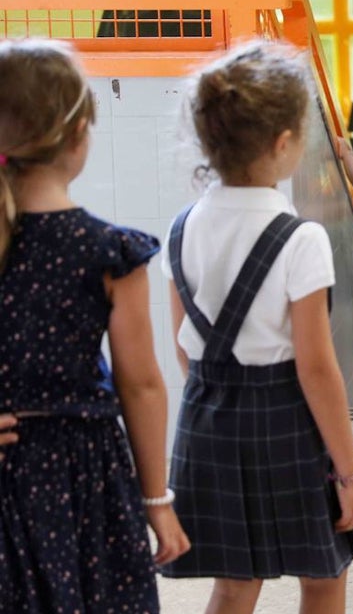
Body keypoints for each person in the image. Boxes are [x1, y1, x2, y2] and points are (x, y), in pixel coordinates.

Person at [162, 43, 353, 613]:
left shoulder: (182, 228)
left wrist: (219, 395)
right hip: (287, 422)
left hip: (207, 418)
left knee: (233, 582)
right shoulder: (300, 238)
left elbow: (185, 347)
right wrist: (349, 472)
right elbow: (317, 366)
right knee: (324, 574)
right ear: (283, 145)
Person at [0, 40, 189, 613]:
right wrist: (157, 499)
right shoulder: (107, 252)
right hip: (86, 476)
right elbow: (142, 385)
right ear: (80, 131)